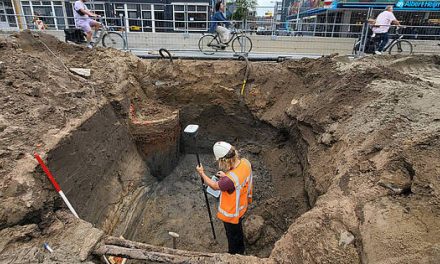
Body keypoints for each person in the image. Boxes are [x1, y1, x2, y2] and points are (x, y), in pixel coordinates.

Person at [196, 141, 253, 255]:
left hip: (232, 213)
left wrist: (202, 173)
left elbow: (214, 185)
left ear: (224, 160)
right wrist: (226, 176)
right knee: (238, 230)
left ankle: (234, 254)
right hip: (242, 206)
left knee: (232, 235)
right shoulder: (246, 163)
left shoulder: (229, 180)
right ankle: (240, 248)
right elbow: (237, 176)